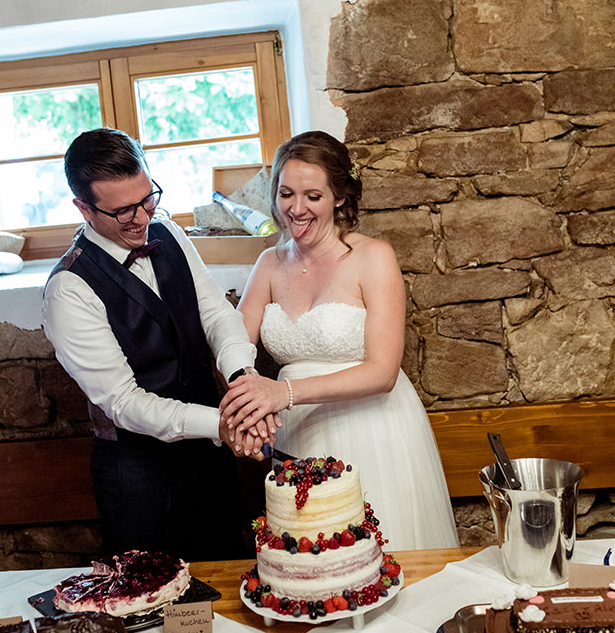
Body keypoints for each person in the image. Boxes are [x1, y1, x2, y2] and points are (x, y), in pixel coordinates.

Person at [43, 127, 275, 562]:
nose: (141, 217)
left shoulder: (167, 231)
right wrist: (222, 425)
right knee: (151, 612)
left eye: (148, 198)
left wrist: (242, 378)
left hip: (210, 463)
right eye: (123, 211)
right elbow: (124, 402)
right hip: (139, 479)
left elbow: (216, 314)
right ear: (84, 208)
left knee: (227, 591)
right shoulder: (68, 289)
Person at [220, 130, 458, 550]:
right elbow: (234, 349)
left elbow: (383, 371)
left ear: (340, 197)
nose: (296, 209)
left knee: (379, 561)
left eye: (313, 195)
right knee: (312, 566)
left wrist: (283, 392)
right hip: (298, 434)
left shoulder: (373, 256)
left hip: (373, 429)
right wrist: (247, 407)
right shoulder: (268, 264)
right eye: (286, 193)